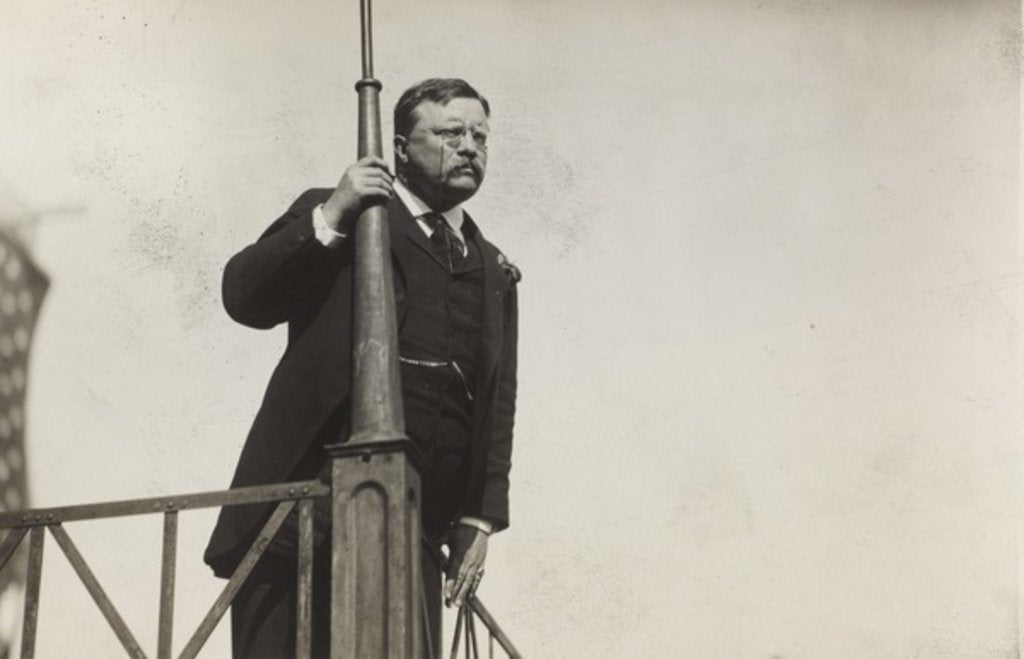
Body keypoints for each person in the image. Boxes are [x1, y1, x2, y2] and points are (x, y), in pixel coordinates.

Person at [202, 78, 520, 657]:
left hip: (412, 533)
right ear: (399, 147)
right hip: (295, 518)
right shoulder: (342, 212)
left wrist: (480, 515)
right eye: (450, 132)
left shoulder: (494, 269)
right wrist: (334, 213)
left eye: (480, 136)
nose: (470, 146)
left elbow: (497, 402)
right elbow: (245, 297)